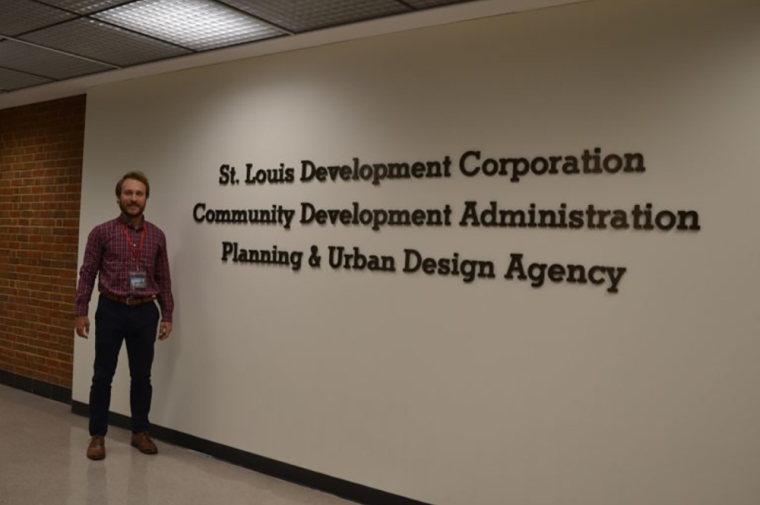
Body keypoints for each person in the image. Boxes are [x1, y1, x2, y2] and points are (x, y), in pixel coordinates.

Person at [74, 171, 174, 461]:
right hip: (112, 309)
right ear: (119, 196)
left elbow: (163, 278)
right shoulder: (101, 232)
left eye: (139, 194)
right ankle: (97, 435)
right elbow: (87, 273)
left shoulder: (157, 235)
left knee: (142, 376)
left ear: (146, 198)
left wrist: (167, 313)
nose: (133, 199)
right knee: (102, 376)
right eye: (128, 193)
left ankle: (140, 431)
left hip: (145, 312)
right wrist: (80, 311)